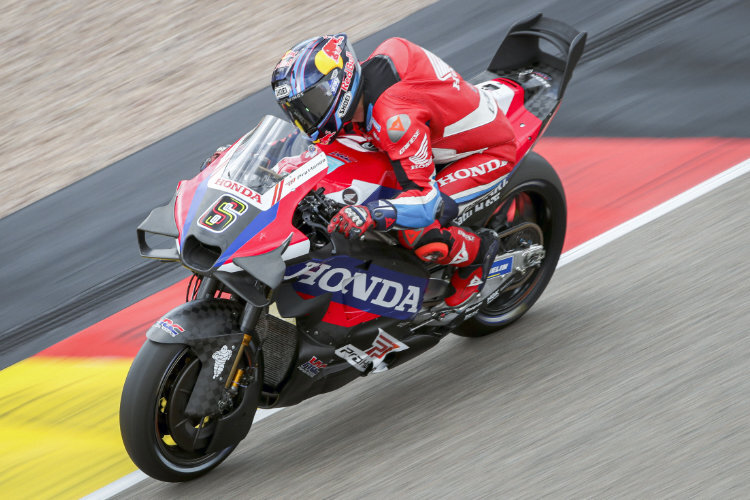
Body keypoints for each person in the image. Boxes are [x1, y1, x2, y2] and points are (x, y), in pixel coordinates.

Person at [271, 34, 517, 307]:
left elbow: (425, 202)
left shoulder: (394, 121)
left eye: (311, 105)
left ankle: (480, 253)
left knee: (420, 233)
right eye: (296, 110)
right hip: (429, 136)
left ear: (339, 82)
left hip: (483, 152)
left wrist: (369, 213)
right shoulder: (358, 93)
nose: (306, 116)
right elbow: (306, 143)